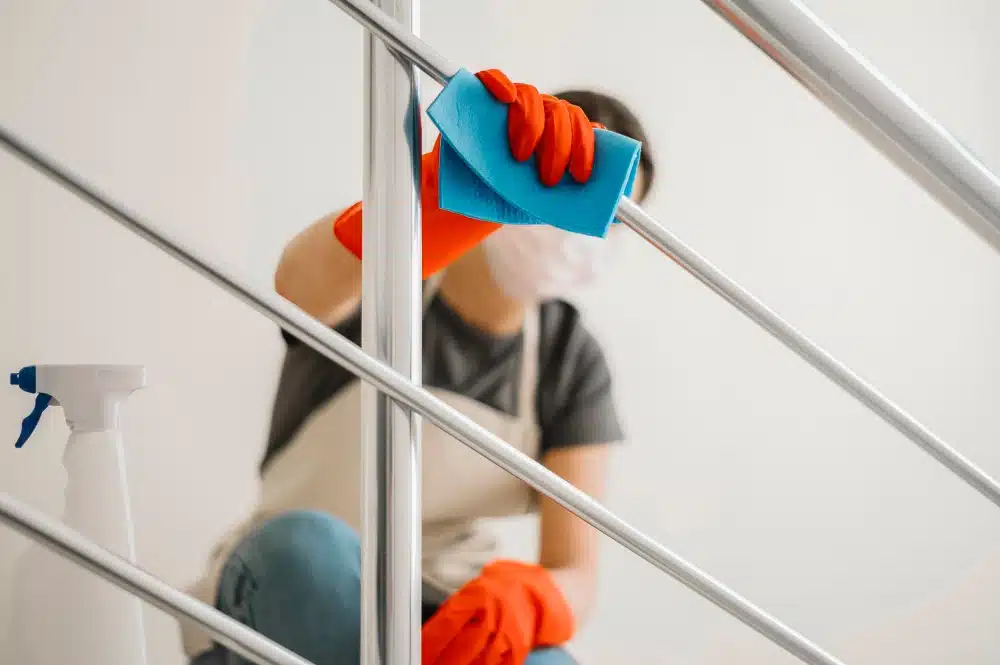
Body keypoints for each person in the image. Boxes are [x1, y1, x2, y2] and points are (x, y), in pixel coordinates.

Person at [182, 72, 656, 665]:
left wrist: (527, 600)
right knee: (308, 555)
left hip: (440, 610)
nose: (579, 237)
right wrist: (430, 206)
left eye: (610, 220)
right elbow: (297, 289)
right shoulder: (385, 282)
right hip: (292, 591)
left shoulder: (570, 359)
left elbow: (575, 571)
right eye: (575, 193)